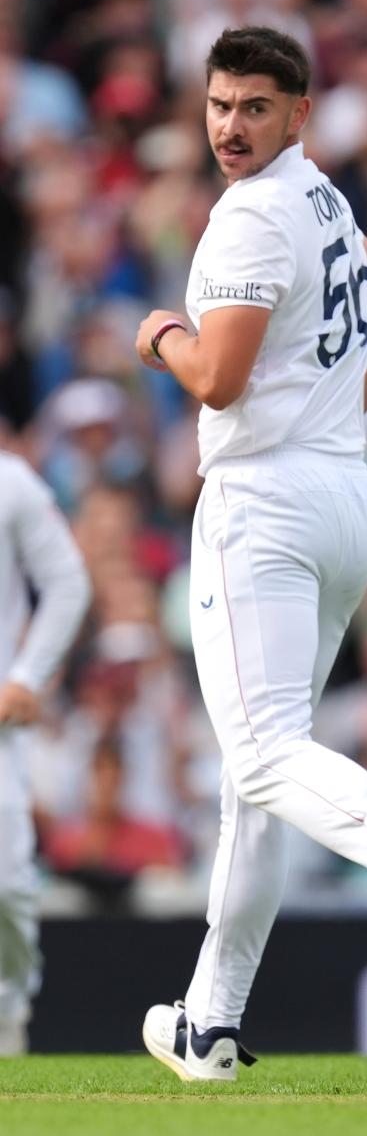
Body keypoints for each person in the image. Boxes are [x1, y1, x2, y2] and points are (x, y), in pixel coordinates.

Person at [134, 26, 367, 1083]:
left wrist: (155, 336)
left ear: (298, 114)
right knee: (256, 787)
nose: (231, 127)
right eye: (220, 105)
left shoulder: (247, 219)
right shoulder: (322, 195)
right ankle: (209, 1020)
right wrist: (337, 416)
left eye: (254, 109)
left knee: (260, 753)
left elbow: (219, 379)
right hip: (335, 495)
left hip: (262, 502)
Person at [0, 450, 91, 1055]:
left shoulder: (10, 480)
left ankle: (8, 1011)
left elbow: (68, 580)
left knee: (7, 884)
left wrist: (28, 676)